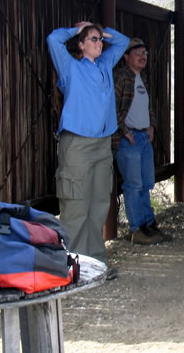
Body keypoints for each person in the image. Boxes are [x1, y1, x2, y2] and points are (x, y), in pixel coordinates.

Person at [47, 21, 129, 278]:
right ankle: (73, 269)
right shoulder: (71, 67)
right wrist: (78, 29)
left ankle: (95, 265)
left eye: (99, 40)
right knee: (76, 205)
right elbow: (53, 39)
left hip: (102, 144)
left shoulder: (105, 65)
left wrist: (101, 31)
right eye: (92, 40)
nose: (99, 43)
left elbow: (123, 42)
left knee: (98, 205)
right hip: (78, 145)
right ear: (81, 45)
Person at [113, 37, 169, 245]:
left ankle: (148, 225)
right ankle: (136, 229)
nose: (143, 57)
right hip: (130, 139)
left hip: (143, 137)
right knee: (134, 185)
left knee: (145, 183)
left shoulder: (142, 78)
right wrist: (125, 130)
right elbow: (112, 107)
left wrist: (151, 125)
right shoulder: (121, 77)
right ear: (126, 57)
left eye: (144, 53)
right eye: (137, 53)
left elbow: (148, 107)